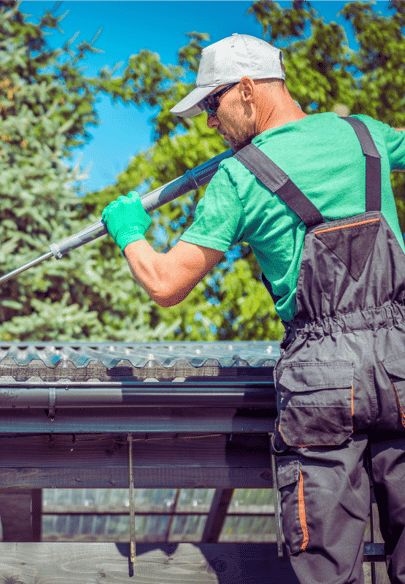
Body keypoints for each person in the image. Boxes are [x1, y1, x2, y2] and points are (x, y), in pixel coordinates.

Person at [101, 33, 405, 584]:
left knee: (327, 569)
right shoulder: (367, 136)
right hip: (403, 360)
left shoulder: (240, 178)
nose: (210, 123)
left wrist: (129, 233)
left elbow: (166, 283)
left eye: (212, 105)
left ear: (246, 90)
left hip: (323, 379)